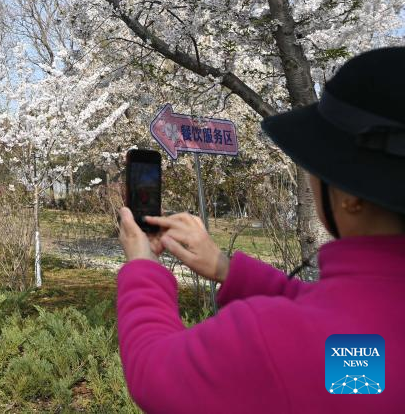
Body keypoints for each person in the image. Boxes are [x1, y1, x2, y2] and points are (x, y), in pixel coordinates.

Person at [116, 47, 405, 413]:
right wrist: (226, 269)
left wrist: (142, 269)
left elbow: (155, 373)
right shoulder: (364, 352)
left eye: (318, 164)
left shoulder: (279, 341)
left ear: (349, 196)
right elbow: (347, 346)